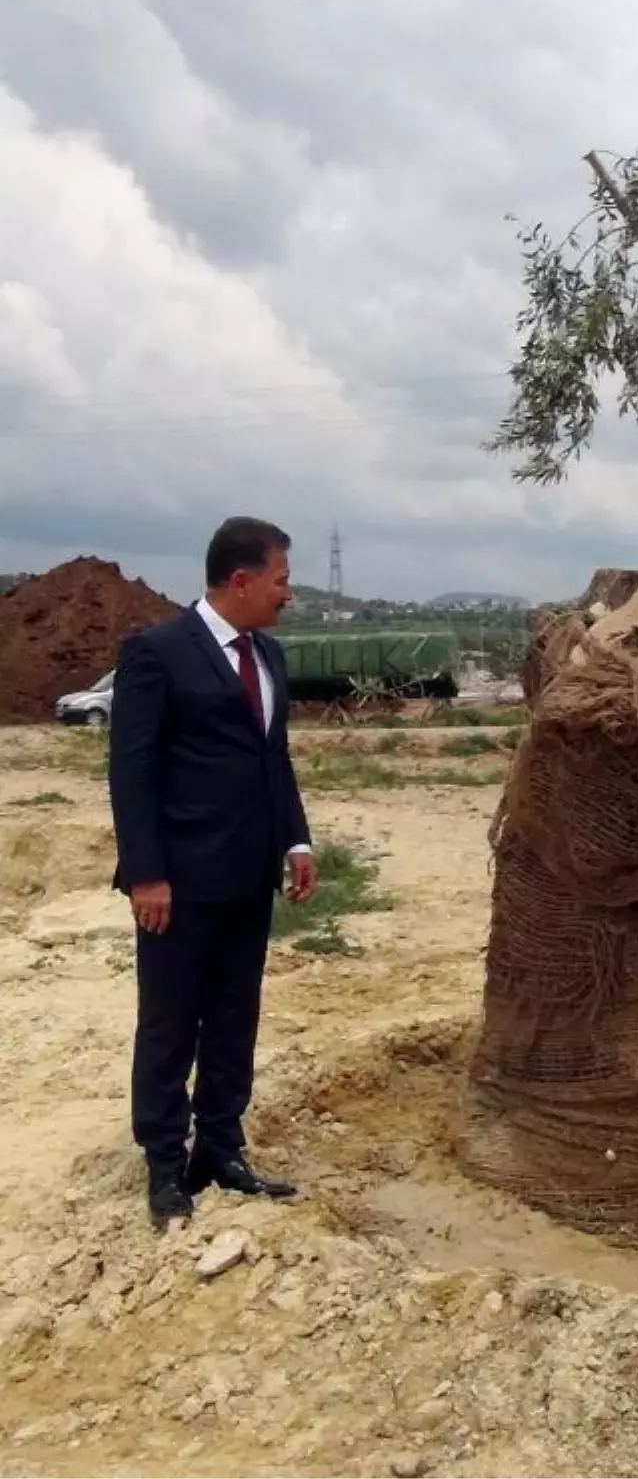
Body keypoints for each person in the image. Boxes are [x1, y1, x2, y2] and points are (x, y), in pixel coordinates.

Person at [108, 516, 318, 1229]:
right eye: (282, 578)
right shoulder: (158, 652)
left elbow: (273, 758)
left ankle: (221, 1151)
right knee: (170, 1022)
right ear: (241, 580)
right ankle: (165, 1165)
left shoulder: (270, 657)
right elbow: (132, 771)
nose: (288, 592)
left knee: (234, 1015)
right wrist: (146, 874)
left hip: (249, 875)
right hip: (178, 881)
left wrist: (295, 841)